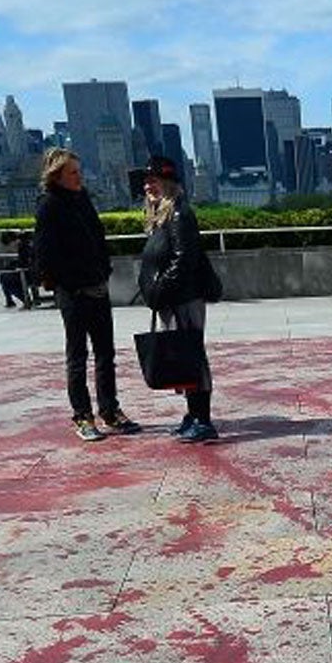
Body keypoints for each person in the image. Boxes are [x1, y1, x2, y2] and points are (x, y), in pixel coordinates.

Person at [33, 148, 139, 442]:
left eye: (79, 171)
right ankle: (82, 415)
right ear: (57, 176)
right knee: (77, 355)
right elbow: (43, 254)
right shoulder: (49, 206)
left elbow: (97, 239)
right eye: (73, 172)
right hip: (73, 292)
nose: (79, 177)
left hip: (97, 287)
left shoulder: (83, 201)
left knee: (106, 354)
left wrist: (103, 271)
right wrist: (63, 283)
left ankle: (110, 410)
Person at [137, 156, 220, 442]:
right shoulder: (162, 214)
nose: (149, 185)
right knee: (183, 356)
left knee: (192, 356)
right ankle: (194, 414)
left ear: (169, 183)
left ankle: (203, 418)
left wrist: (161, 289)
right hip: (174, 298)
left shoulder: (179, 214)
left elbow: (183, 258)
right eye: (147, 181)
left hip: (184, 297)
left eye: (154, 180)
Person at [0, 230, 44, 309]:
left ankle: (24, 300)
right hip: (36, 270)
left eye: (10, 245)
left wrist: (17, 266)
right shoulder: (26, 242)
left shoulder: (24, 247)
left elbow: (25, 263)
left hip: (34, 273)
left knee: (7, 280)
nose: (11, 248)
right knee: (4, 274)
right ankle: (10, 300)